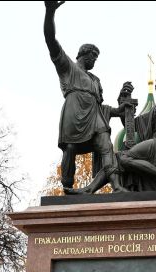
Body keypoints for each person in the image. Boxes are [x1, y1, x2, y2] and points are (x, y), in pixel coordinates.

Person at [43, 1, 127, 193]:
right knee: (70, 149)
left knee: (106, 145)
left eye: (96, 57)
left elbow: (101, 108)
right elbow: (51, 40)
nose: (95, 60)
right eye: (93, 56)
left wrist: (118, 110)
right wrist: (50, 12)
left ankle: (116, 186)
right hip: (74, 112)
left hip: (94, 117)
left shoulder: (96, 80)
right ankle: (67, 186)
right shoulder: (68, 67)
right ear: (83, 54)